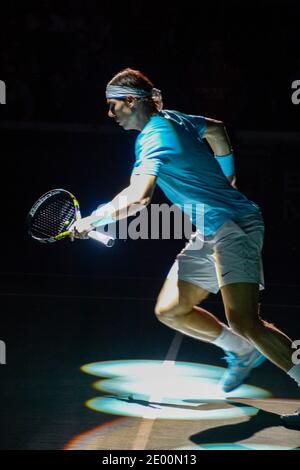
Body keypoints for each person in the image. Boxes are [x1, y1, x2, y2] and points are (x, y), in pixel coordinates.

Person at [71, 68, 300, 429]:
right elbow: (218, 130)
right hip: (211, 229)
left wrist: (93, 220)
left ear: (131, 101)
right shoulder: (173, 118)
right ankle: (239, 350)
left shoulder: (152, 138)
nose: (109, 113)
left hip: (234, 227)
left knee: (245, 320)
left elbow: (138, 198)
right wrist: (228, 175)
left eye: (112, 105)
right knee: (170, 309)